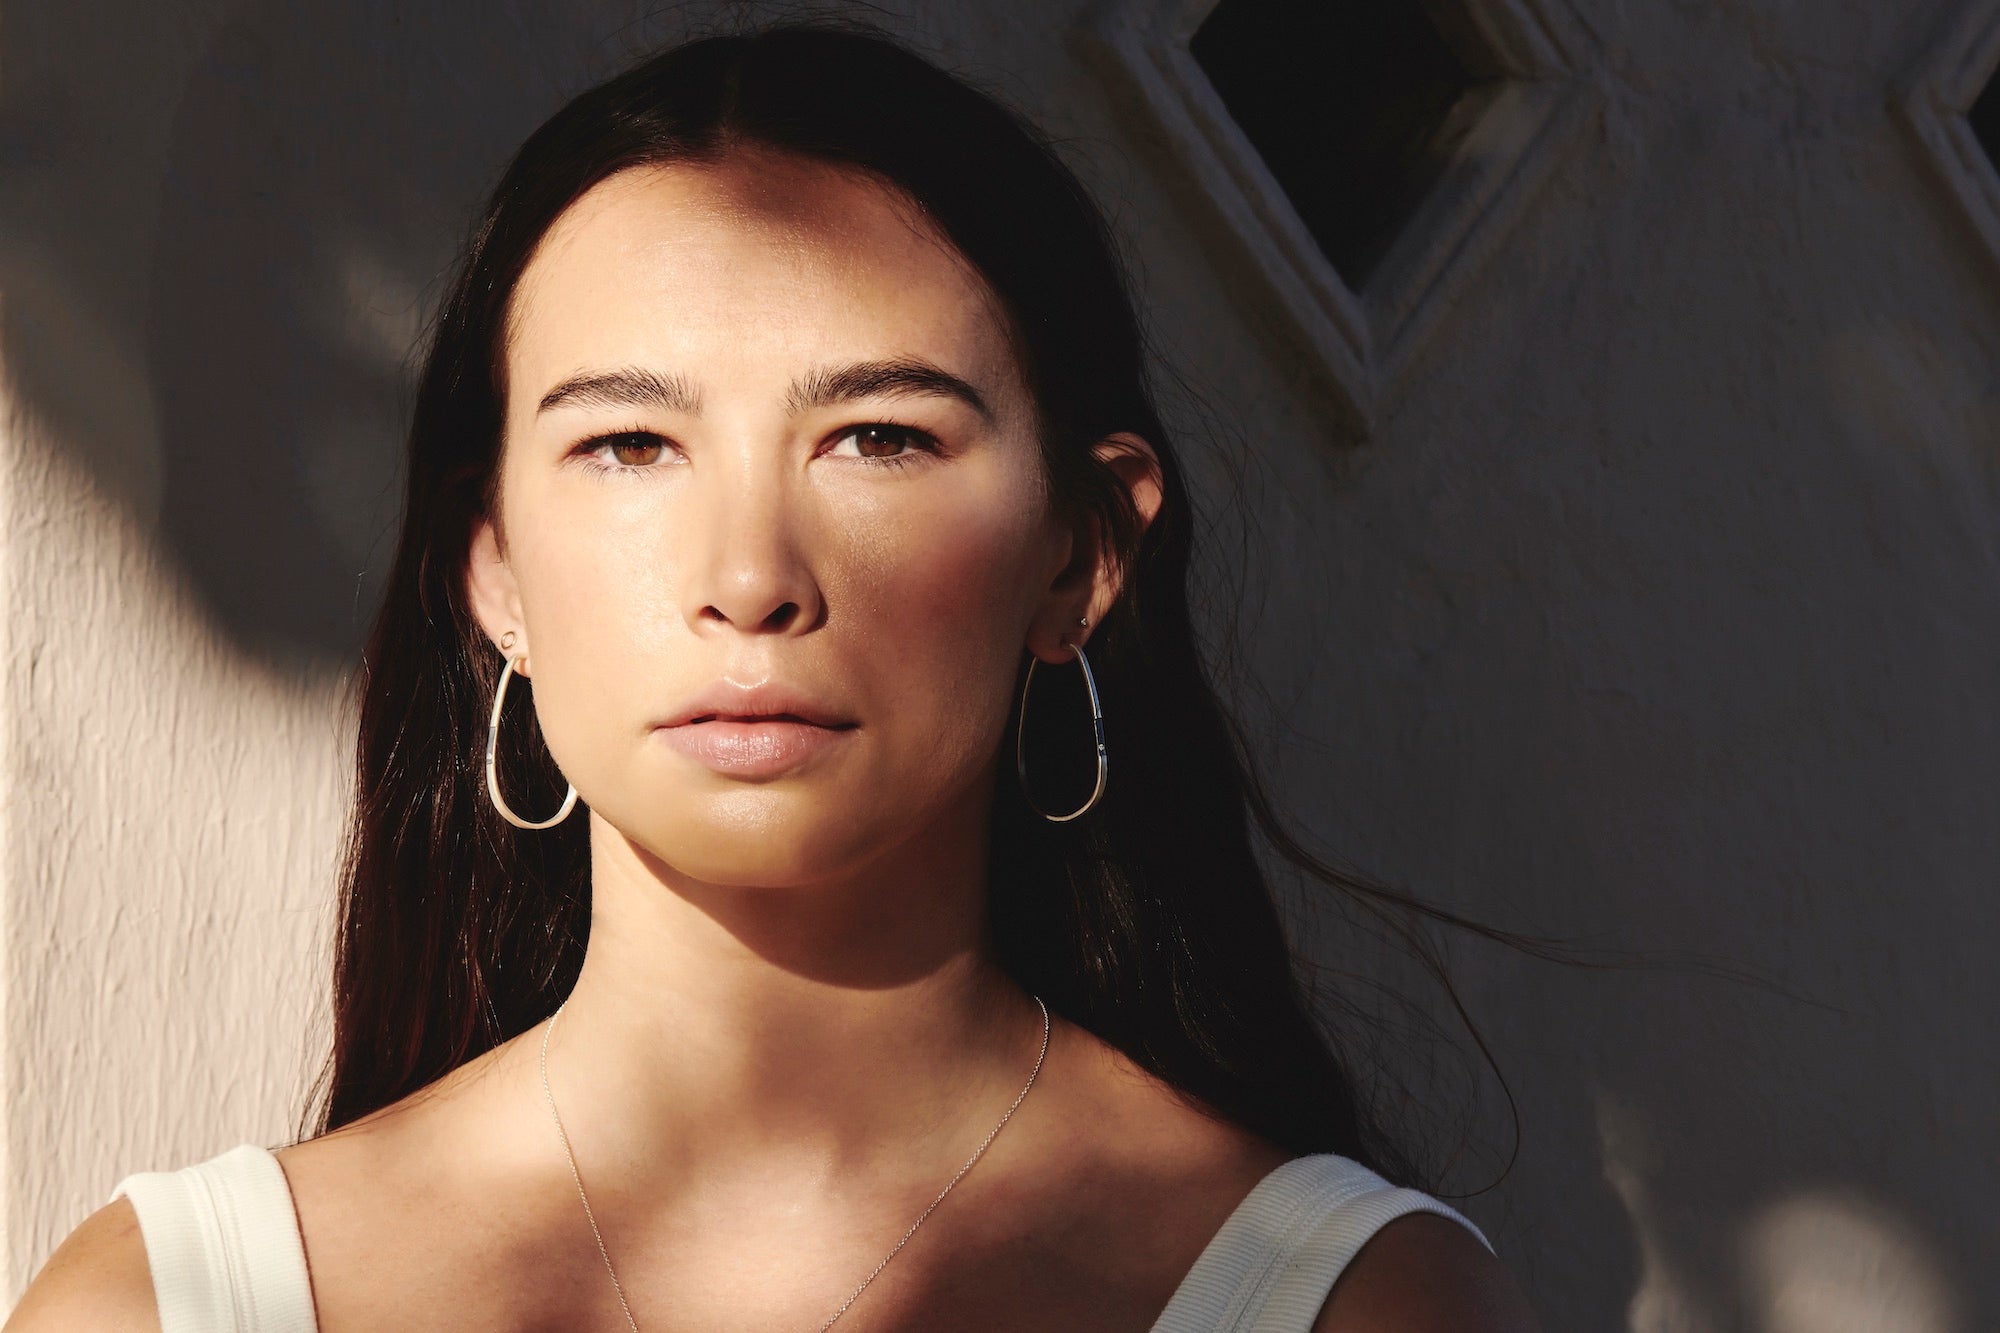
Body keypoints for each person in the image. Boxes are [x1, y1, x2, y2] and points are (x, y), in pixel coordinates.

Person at [8, 19, 1538, 1332]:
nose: (750, 578)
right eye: (628, 443)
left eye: (880, 437)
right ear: (492, 569)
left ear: (1078, 554)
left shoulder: (1344, 1303)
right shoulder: (171, 1301)